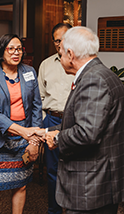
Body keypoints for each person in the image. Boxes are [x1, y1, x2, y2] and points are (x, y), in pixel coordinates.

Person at [44, 26, 124, 213]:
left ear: (70, 54)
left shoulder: (93, 80)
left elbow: (87, 133)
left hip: (90, 185)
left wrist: (57, 138)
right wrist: (46, 131)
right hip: (102, 180)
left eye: (61, 53)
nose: (60, 57)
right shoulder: (103, 74)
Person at [0, 33, 43, 214]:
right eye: (11, 49)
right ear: (1, 51)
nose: (16, 53)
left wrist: (33, 142)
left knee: (21, 186)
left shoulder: (30, 72)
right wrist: (23, 131)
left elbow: (36, 107)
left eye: (19, 49)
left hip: (25, 139)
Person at [38, 23, 74, 214]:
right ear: (53, 42)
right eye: (57, 40)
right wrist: (44, 122)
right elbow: (39, 97)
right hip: (51, 121)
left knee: (75, 170)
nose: (60, 44)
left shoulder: (80, 63)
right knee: (53, 172)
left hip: (74, 123)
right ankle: (55, 210)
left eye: (65, 39)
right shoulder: (45, 64)